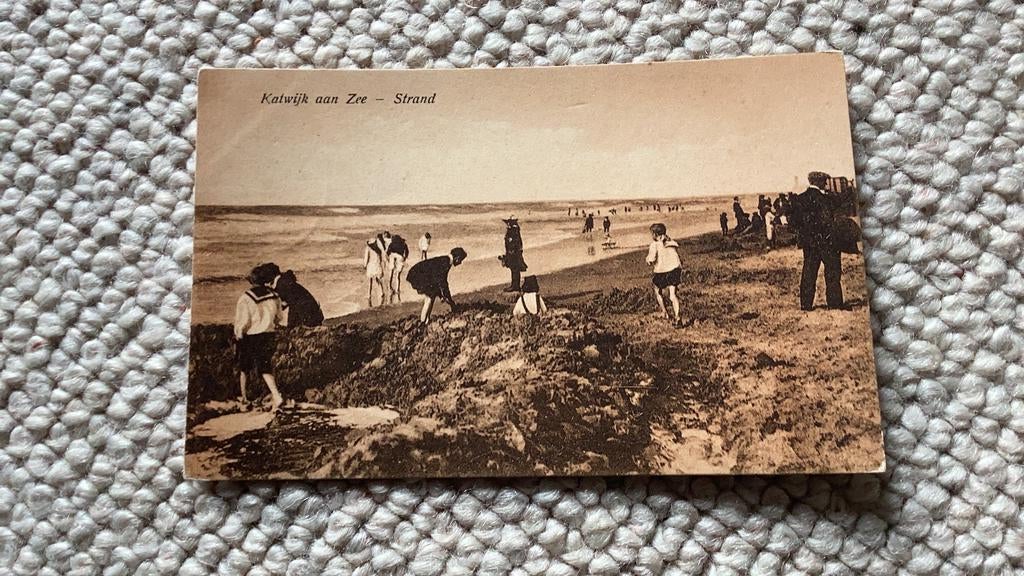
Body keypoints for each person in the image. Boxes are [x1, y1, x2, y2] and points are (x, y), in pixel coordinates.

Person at [234, 263, 286, 410]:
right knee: (266, 366)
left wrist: (239, 334)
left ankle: (245, 399)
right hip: (269, 334)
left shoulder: (246, 298)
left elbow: (243, 322)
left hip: (252, 336)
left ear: (251, 281)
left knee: (244, 367)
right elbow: (279, 317)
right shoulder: (274, 295)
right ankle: (274, 395)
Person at [790, 171, 844, 311]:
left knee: (809, 271)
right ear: (820, 182)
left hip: (810, 243)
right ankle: (834, 304)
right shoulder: (826, 199)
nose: (826, 184)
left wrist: (804, 235)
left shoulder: (800, 199)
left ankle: (806, 304)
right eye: (825, 182)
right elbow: (829, 220)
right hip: (827, 241)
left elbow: (794, 222)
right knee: (832, 271)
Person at [406, 247, 468, 323]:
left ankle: (426, 320)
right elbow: (443, 282)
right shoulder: (445, 263)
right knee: (429, 297)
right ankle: (423, 322)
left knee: (432, 295)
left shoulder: (445, 260)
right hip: (417, 276)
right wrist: (449, 300)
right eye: (461, 260)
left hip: (417, 273)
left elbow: (439, 281)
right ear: (457, 258)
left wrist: (443, 296)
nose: (460, 263)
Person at [646, 223, 684, 326]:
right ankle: (678, 317)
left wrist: (648, 261)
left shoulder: (654, 245)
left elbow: (651, 259)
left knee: (657, 290)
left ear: (655, 234)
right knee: (673, 295)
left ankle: (665, 312)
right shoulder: (671, 242)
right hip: (675, 269)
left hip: (662, 271)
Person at [499, 216, 528, 292]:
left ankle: (515, 286)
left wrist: (512, 252)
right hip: (513, 253)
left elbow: (515, 243)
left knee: (515, 269)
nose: (507, 225)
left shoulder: (513, 231)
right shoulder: (513, 230)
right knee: (514, 269)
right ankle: (514, 285)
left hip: (514, 254)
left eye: (508, 223)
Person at [387, 234, 410, 303]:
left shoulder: (391, 244)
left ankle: (390, 288)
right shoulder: (403, 244)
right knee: (398, 275)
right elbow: (407, 252)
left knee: (391, 274)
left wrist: (388, 259)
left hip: (392, 256)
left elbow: (388, 252)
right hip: (400, 257)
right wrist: (405, 258)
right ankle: (397, 289)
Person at [363, 238, 385, 307]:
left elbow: (366, 258)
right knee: (378, 280)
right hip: (377, 266)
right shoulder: (378, 250)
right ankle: (381, 292)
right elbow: (381, 259)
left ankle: (369, 295)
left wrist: (365, 265)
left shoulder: (368, 248)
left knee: (370, 281)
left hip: (371, 266)